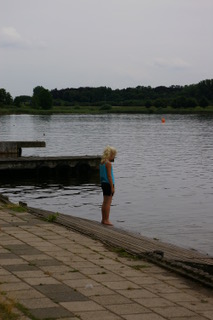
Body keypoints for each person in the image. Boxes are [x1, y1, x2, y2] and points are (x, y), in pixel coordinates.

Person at [100, 145, 117, 226]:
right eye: (114, 155)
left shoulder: (102, 162)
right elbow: (109, 176)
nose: (114, 157)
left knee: (104, 202)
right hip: (108, 184)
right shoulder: (108, 163)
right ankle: (106, 220)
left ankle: (103, 219)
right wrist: (112, 187)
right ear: (111, 154)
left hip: (103, 183)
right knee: (108, 203)